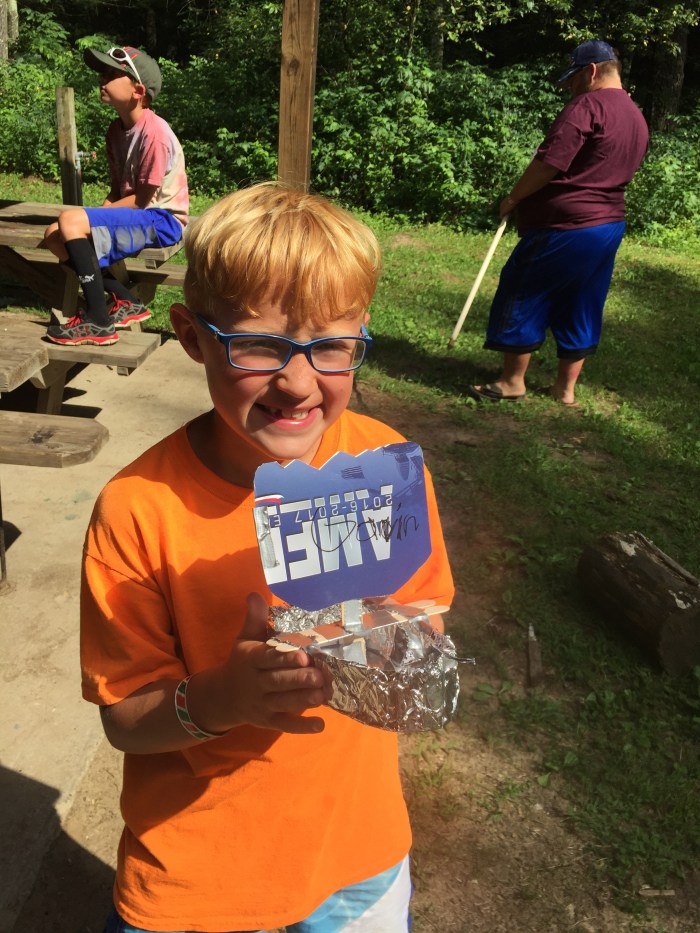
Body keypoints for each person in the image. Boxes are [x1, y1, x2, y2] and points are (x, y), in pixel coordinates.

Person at [80, 182, 455, 933]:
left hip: (357, 856)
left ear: (360, 338)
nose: (297, 382)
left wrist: (387, 645)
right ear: (192, 336)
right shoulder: (138, 509)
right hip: (198, 878)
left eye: (331, 346)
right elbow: (125, 718)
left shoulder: (382, 464)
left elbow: (428, 617)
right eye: (257, 344)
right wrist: (223, 698)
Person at [467, 39, 648, 406]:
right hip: (608, 225)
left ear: (591, 71)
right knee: (583, 299)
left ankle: (512, 382)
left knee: (523, 289)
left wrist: (514, 198)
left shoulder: (587, 106)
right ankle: (565, 390)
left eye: (573, 78)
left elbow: (550, 162)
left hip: (565, 225)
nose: (569, 87)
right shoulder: (636, 115)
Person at [43, 45, 189, 346]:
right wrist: (89, 218)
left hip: (163, 220)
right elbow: (118, 191)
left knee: (70, 222)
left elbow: (141, 200)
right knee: (55, 235)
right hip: (140, 214)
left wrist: (85, 219)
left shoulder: (155, 133)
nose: (102, 80)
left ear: (138, 91)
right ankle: (125, 299)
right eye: (103, 74)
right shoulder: (115, 131)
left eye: (111, 75)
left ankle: (99, 320)